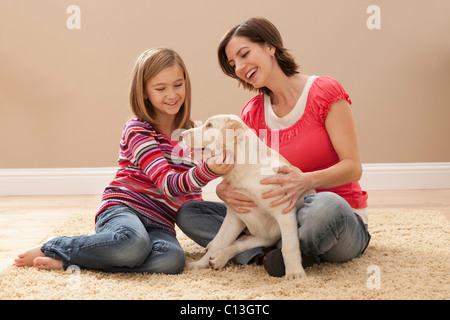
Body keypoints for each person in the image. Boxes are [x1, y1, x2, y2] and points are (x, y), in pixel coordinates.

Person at [177, 17, 371, 277]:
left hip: (330, 215)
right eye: (233, 64)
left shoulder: (325, 92)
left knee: (325, 207)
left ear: (270, 47)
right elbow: (243, 171)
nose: (241, 67)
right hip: (275, 218)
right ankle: (273, 250)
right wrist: (225, 190)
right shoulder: (251, 113)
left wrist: (304, 181)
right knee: (191, 211)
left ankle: (269, 251)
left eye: (244, 54)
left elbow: (353, 168)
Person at [13, 47, 231, 274]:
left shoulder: (196, 134)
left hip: (161, 224)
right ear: (144, 92)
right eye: (160, 88)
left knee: (172, 260)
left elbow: (190, 194)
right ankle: (56, 247)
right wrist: (209, 170)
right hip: (124, 209)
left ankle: (81, 261)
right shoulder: (138, 129)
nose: (172, 95)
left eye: (178, 85)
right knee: (132, 243)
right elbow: (168, 183)